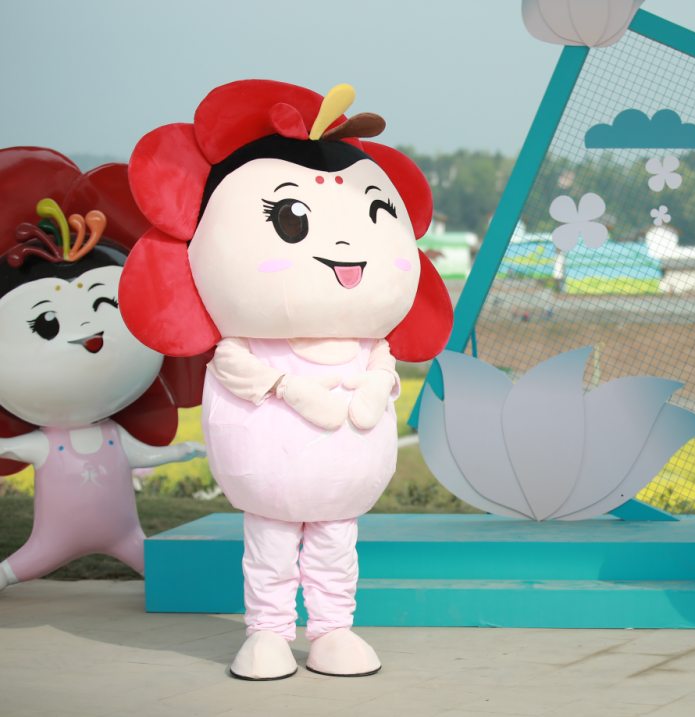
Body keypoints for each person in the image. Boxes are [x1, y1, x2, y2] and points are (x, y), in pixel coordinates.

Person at [119, 80, 453, 679]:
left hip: (343, 482)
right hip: (270, 478)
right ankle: (269, 633)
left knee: (336, 550)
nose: (346, 245)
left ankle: (332, 630)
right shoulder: (245, 339)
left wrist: (374, 386)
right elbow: (234, 368)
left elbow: (382, 363)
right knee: (269, 551)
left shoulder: (369, 341)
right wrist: (291, 390)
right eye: (292, 219)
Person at [0, 148, 207, 591]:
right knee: (26, 562)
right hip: (51, 539)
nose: (87, 333)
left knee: (147, 557)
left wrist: (181, 451)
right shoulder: (43, 444)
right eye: (47, 322)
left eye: (104, 303)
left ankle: (173, 584)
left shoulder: (115, 436)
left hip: (125, 533)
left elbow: (143, 455)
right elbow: (10, 449)